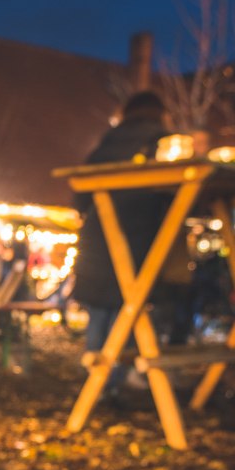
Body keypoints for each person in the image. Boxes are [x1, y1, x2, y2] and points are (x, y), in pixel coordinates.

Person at [70, 91, 173, 396]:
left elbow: (80, 193)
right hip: (142, 235)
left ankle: (96, 379)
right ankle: (120, 376)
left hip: (100, 235)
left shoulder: (108, 142)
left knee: (100, 312)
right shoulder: (163, 142)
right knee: (129, 308)